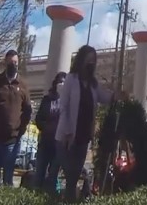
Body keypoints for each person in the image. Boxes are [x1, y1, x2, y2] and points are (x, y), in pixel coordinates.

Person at [55, 45, 115, 202]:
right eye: (88, 60)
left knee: (74, 177)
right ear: (81, 60)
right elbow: (64, 107)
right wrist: (68, 131)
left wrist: (117, 96)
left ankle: (70, 200)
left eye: (93, 61)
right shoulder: (71, 79)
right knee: (70, 174)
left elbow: (104, 97)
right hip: (67, 137)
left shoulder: (93, 85)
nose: (90, 64)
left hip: (83, 138)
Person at [0, 49, 32, 187]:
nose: (13, 65)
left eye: (15, 62)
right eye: (10, 62)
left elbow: (28, 110)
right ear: (5, 62)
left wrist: (21, 130)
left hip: (13, 139)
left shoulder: (22, 85)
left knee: (8, 177)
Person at [33, 72, 65, 190]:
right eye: (59, 82)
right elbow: (39, 118)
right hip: (45, 141)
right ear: (55, 84)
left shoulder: (68, 102)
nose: (61, 85)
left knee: (53, 174)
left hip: (59, 144)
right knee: (39, 172)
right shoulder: (47, 99)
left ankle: (50, 197)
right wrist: (46, 128)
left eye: (64, 83)